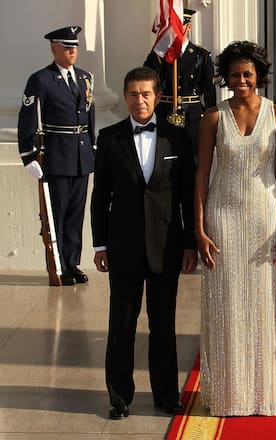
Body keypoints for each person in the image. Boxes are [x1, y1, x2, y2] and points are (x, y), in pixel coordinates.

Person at [193, 40, 276, 416]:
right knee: (226, 305)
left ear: (260, 76)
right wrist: (199, 228)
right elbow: (202, 175)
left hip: (266, 218)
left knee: (265, 305)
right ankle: (229, 396)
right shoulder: (213, 118)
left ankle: (266, 393)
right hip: (222, 217)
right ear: (225, 76)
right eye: (235, 74)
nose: (241, 80)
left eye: (248, 74)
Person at [91, 66, 197, 420]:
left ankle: (167, 395)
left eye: (146, 93)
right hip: (122, 248)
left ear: (157, 96)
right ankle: (119, 397)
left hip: (166, 246)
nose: (140, 100)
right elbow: (99, 195)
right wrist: (100, 245)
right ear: (124, 97)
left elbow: (186, 196)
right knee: (121, 325)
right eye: (133, 94)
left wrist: (190, 245)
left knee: (163, 325)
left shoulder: (177, 138)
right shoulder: (109, 138)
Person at [17, 26, 95, 286]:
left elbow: (89, 116)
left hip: (81, 156)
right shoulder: (41, 79)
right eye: (66, 46)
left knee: (75, 214)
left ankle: (72, 262)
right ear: (54, 48)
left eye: (74, 46)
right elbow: (27, 118)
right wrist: (28, 156)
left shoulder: (85, 78)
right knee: (57, 215)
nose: (72, 50)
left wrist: (92, 148)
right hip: (58, 156)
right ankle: (58, 265)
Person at [144, 8, 216, 153]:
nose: (175, 30)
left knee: (192, 158)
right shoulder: (159, 54)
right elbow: (147, 82)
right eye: (172, 25)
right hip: (165, 112)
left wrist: (212, 122)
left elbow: (209, 92)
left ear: (188, 26)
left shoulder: (201, 55)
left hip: (192, 116)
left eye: (179, 25)